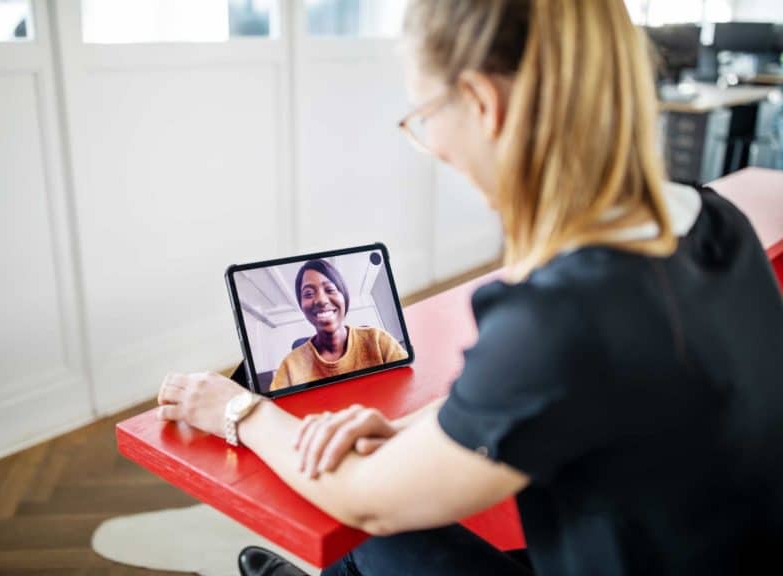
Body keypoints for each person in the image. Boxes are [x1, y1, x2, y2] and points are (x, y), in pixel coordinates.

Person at [156, 0, 783, 574]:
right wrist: (406, 429)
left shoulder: (567, 310)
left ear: (483, 102)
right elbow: (569, 391)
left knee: (368, 525)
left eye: (425, 117)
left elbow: (370, 503)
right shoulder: (715, 221)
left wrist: (239, 410)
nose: (434, 146)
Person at [269, 259, 408, 392]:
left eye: (330, 289)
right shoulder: (289, 366)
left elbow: (407, 385)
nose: (321, 300)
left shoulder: (378, 341)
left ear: (344, 297)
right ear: (302, 306)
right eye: (308, 293)